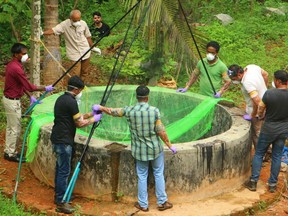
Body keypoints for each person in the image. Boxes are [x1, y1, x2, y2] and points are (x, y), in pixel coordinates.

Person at [92, 86, 176, 212]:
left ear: (137, 97)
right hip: (155, 149)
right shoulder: (154, 111)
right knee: (158, 174)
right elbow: (161, 131)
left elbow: (113, 112)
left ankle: (143, 205)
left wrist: (101, 108)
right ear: (147, 97)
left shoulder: (130, 110)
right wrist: (170, 145)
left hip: (139, 151)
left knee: (142, 176)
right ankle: (162, 202)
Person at [50, 75, 102, 214]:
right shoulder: (71, 102)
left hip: (57, 137)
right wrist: (94, 119)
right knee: (64, 170)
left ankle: (60, 195)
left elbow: (76, 117)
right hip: (64, 140)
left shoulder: (61, 99)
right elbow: (79, 123)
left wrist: (91, 114)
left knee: (60, 168)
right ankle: (61, 202)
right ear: (78, 90)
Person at [3, 43, 54, 163]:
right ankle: (10, 153)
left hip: (12, 99)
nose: (26, 55)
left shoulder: (15, 65)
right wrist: (44, 88)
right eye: (23, 53)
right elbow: (29, 86)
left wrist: (30, 96)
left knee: (13, 126)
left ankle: (10, 150)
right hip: (12, 101)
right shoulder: (15, 68)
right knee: (14, 128)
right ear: (16, 54)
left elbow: (21, 84)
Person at [244, 70, 288, 193]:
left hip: (269, 128)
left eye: (274, 79)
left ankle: (253, 182)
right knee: (277, 155)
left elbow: (261, 108)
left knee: (259, 153)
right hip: (283, 129)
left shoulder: (269, 93)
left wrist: (259, 115)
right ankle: (273, 184)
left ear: (278, 81)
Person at [43, 10, 101, 84]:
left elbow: (88, 37)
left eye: (78, 20)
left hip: (85, 51)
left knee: (84, 72)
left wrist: (93, 47)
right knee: (75, 74)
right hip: (74, 54)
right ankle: (75, 88)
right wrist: (43, 33)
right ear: (70, 18)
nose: (77, 22)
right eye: (74, 20)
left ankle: (82, 86)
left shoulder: (83, 24)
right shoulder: (64, 25)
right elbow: (53, 30)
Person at [227, 64, 268, 148]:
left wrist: (254, 115)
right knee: (265, 130)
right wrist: (264, 89)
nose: (234, 81)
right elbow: (265, 74)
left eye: (234, 79)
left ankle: (262, 154)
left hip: (258, 111)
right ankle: (266, 151)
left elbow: (257, 101)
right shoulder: (251, 67)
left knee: (257, 133)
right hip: (266, 102)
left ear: (239, 74)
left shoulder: (247, 82)